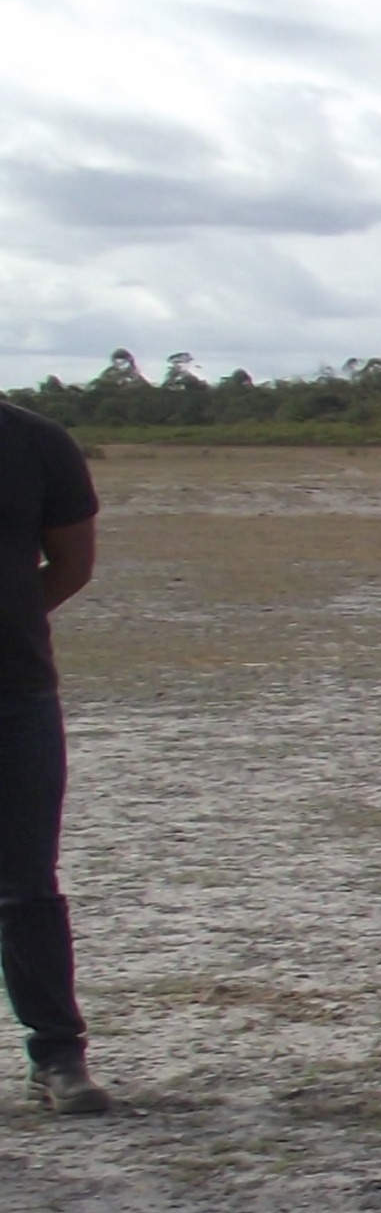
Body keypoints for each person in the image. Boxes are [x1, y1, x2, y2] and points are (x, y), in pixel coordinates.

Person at [3, 393, 110, 1114]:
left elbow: (71, 563)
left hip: (13, 695)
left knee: (26, 882)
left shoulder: (35, 443)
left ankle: (58, 1058)